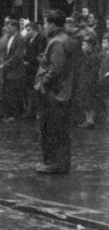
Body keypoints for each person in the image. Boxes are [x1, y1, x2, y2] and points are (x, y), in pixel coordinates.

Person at [34, 9, 78, 174]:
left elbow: (56, 69)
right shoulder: (63, 39)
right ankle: (60, 163)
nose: (44, 26)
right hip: (61, 92)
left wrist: (42, 83)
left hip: (55, 93)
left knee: (52, 129)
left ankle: (54, 163)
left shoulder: (57, 42)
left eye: (46, 23)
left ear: (52, 24)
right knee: (59, 131)